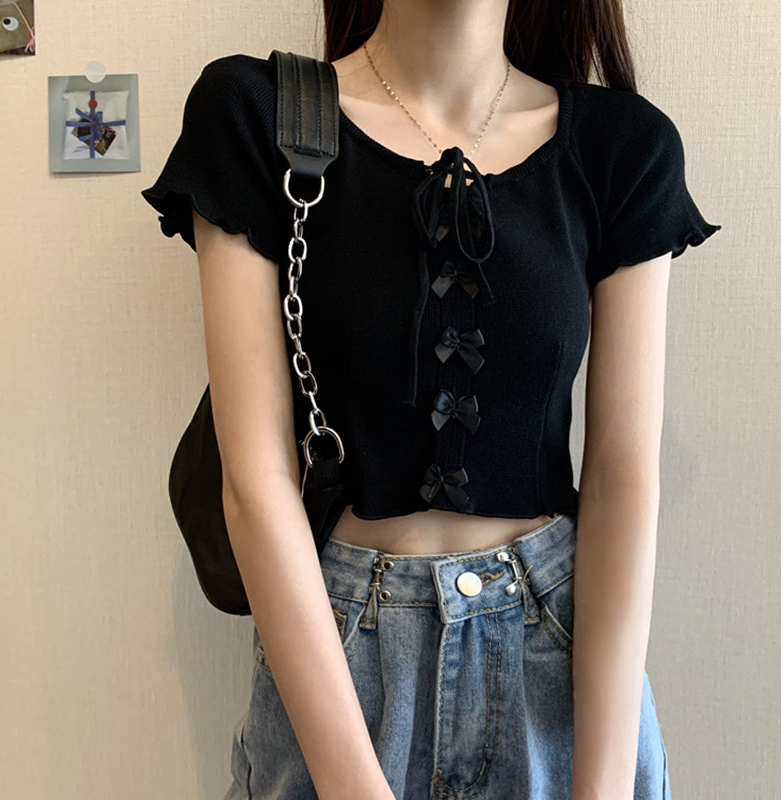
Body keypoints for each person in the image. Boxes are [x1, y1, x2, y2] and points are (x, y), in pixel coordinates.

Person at [141, 1, 721, 798]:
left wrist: (604, 788)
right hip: (336, 666)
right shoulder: (256, 117)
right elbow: (255, 482)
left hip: (559, 664)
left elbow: (623, 475)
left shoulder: (622, 146)